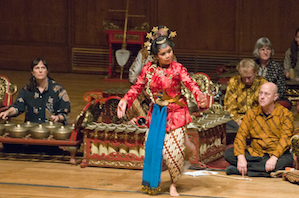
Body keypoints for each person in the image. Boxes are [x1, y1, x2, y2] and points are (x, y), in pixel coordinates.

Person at [117, 36, 207, 196]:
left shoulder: (178, 68)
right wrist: (125, 100)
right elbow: (137, 87)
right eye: (163, 53)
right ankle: (183, 149)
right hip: (158, 113)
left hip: (176, 113)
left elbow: (191, 84)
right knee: (153, 150)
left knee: (173, 152)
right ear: (155, 56)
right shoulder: (148, 70)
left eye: (169, 51)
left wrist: (199, 95)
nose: (167, 56)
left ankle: (174, 183)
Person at [224, 82, 294, 177]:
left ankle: (240, 170)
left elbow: (285, 139)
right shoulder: (251, 114)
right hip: (255, 153)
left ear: (275, 97)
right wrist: (241, 158)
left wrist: (274, 157)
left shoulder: (285, 114)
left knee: (287, 160)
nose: (262, 97)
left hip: (275, 154)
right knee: (229, 154)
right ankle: (265, 171)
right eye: (260, 93)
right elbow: (240, 136)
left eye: (266, 94)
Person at [0, 57, 71, 125]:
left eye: (43, 68)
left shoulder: (58, 90)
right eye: (37, 68)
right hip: (32, 129)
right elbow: (17, 107)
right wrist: (7, 112)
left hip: (52, 129)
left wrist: (57, 117)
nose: (40, 71)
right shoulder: (26, 90)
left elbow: (65, 113)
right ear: (32, 72)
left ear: (47, 71)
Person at [224, 58, 268, 131]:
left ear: (255, 72)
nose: (247, 81)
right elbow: (229, 108)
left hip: (257, 120)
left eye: (249, 77)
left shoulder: (263, 84)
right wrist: (238, 120)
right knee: (224, 122)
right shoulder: (234, 82)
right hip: (237, 121)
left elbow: (265, 108)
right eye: (244, 78)